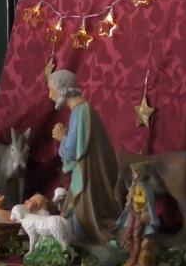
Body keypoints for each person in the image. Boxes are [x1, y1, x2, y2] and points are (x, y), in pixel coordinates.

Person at [48, 69, 121, 245]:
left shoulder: (80, 112)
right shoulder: (82, 110)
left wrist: (60, 138)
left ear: (62, 88)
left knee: (80, 215)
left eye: (52, 89)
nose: (50, 95)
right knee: (71, 212)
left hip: (88, 179)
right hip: (85, 174)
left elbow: (72, 151)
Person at [116, 162, 159, 266]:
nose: (133, 174)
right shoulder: (135, 185)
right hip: (132, 212)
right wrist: (130, 195)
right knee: (128, 235)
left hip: (140, 215)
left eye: (134, 172)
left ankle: (136, 259)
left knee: (136, 236)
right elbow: (129, 198)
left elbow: (144, 199)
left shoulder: (144, 187)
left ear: (140, 173)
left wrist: (133, 195)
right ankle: (132, 257)